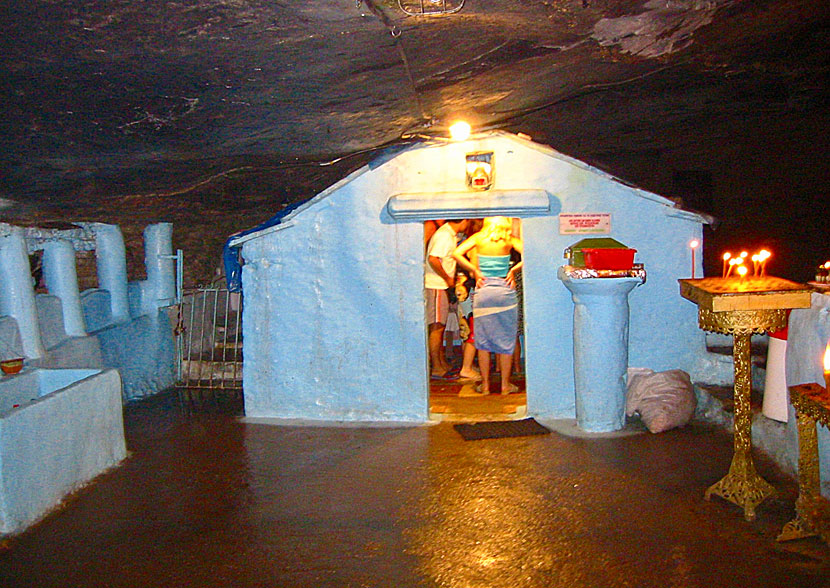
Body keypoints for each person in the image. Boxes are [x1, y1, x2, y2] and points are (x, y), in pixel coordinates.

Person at [452, 216, 523, 395]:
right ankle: (505, 386)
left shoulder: (478, 238)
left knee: (483, 341)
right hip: (505, 290)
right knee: (506, 340)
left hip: (483, 290)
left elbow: (456, 253)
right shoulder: (509, 240)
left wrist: (475, 270)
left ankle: (485, 386)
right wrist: (513, 270)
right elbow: (531, 254)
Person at [425, 218, 469, 378]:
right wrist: (447, 278)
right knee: (437, 325)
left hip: (441, 284)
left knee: (440, 325)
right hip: (436, 284)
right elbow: (433, 259)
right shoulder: (444, 235)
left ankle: (440, 362)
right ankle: (436, 366)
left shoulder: (449, 235)